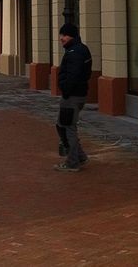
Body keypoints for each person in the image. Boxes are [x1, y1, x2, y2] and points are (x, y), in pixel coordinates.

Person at [54, 22, 92, 172]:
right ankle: (80, 156)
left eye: (63, 35)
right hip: (79, 94)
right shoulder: (81, 49)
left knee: (67, 127)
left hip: (72, 96)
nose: (61, 38)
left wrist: (65, 89)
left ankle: (73, 162)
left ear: (70, 35)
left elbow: (73, 75)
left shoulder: (74, 52)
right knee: (63, 125)